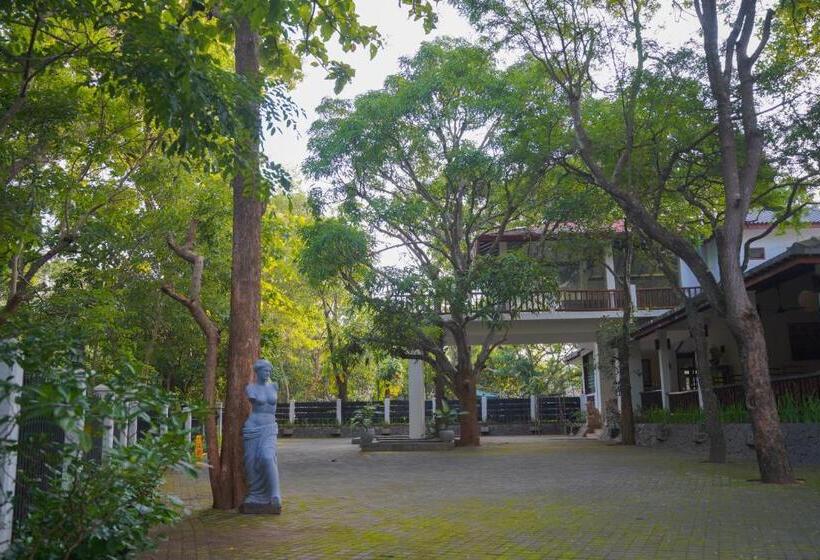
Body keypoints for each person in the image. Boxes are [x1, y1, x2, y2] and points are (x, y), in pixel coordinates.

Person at [240, 358, 282, 514]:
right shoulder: (250, 389)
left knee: (267, 456)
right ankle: (255, 495)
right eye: (265, 370)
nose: (268, 373)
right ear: (257, 372)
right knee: (251, 463)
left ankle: (275, 494)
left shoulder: (274, 387)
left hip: (270, 428)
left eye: (269, 371)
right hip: (253, 428)